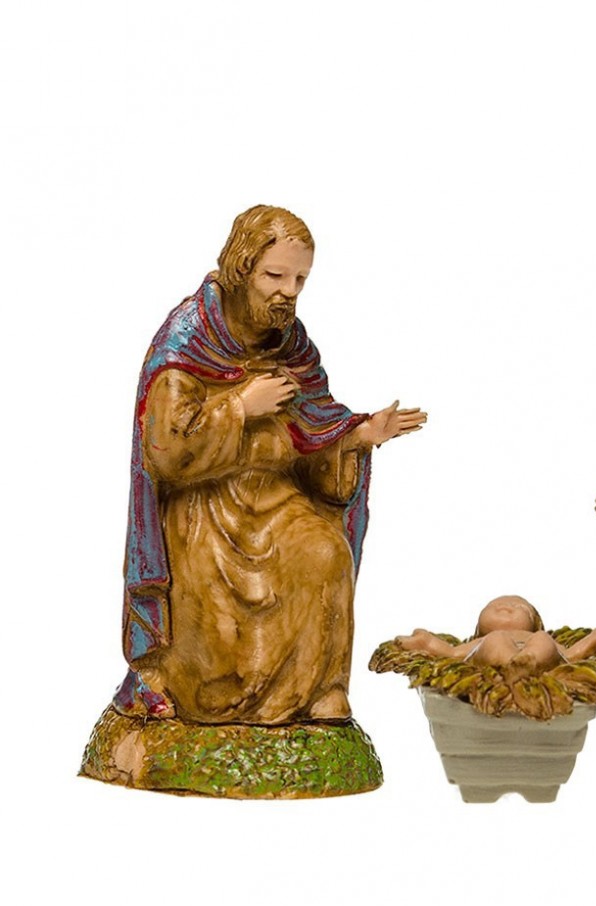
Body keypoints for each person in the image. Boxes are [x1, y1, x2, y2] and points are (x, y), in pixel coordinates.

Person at [112, 205, 426, 724]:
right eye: (274, 275)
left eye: (299, 279)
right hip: (203, 506)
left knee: (326, 552)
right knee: (216, 608)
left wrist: (357, 436)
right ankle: (210, 699)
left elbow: (313, 429)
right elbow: (165, 452)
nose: (288, 291)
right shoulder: (188, 341)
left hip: (276, 497)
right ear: (242, 269)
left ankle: (318, 690)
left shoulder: (291, 343)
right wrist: (240, 406)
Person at [396, 595, 596, 671]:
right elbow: (451, 653)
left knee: (543, 643)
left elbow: (571, 655)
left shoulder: (536, 636)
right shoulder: (482, 641)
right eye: (493, 606)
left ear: (535, 624)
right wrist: (424, 640)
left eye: (520, 608)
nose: (506, 606)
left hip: (539, 658)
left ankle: (528, 661)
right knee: (496, 641)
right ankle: (512, 663)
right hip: (493, 656)